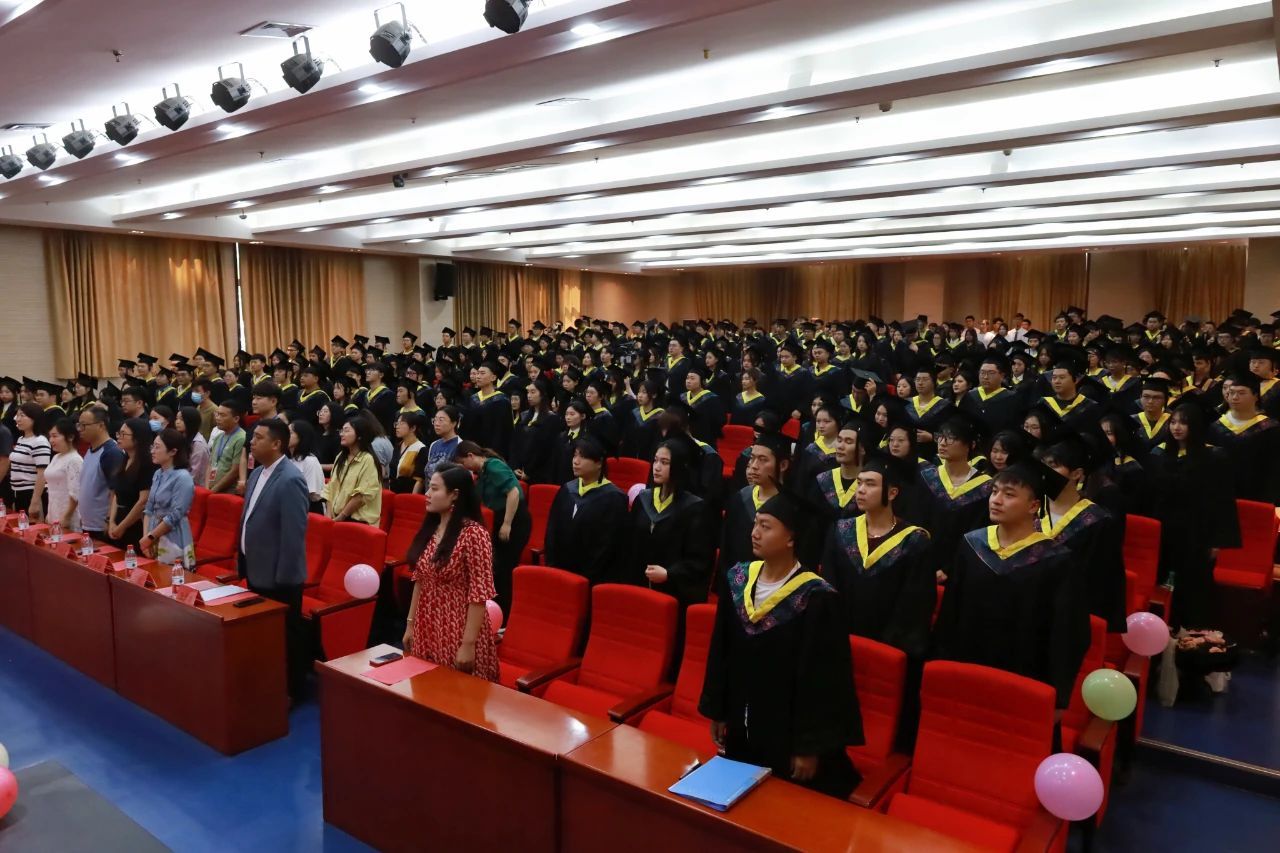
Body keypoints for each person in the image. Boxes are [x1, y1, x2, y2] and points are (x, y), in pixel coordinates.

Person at [699, 490, 863, 800]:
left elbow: (823, 680)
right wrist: (718, 710)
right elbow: (721, 651)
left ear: (791, 539)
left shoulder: (816, 598)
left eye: (766, 526)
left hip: (787, 739)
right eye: (755, 523)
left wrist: (809, 746)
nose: (755, 532)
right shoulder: (738, 580)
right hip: (742, 727)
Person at [933, 460, 1088, 709]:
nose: (996, 500)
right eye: (994, 491)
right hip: (966, 669)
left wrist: (1058, 697)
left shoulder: (1056, 561)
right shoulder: (972, 545)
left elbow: (1066, 633)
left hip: (1022, 680)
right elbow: (951, 612)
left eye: (1009, 494)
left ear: (1033, 506)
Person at [1147, 399, 1241, 628]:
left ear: (1196, 426)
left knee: (1193, 584)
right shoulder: (1159, 454)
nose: (1177, 427)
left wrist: (1218, 540)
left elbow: (1222, 501)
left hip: (1197, 531)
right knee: (1160, 582)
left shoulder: (1214, 456)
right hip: (1165, 530)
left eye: (1184, 423)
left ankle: (1191, 632)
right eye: (1173, 422)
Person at [402, 463, 500, 681]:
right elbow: (420, 580)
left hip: (458, 629)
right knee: (424, 691)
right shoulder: (431, 529)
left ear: (454, 494)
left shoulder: (474, 534)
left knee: (457, 695)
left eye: (434, 489)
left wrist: (468, 644)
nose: (427, 494)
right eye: (428, 487)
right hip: (426, 626)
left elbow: (479, 593)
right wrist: (410, 624)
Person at [238, 418, 311, 699]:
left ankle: (292, 691)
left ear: (276, 443)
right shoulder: (258, 473)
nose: (252, 442)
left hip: (280, 577)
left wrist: (284, 578)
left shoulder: (291, 479)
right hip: (256, 568)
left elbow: (294, 534)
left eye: (258, 438)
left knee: (286, 636)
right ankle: (268, 682)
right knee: (263, 634)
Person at [1035, 432, 1127, 636]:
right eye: (1043, 465)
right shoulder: (1029, 509)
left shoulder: (1097, 521)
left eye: (1053, 466)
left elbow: (1101, 579)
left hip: (1068, 616)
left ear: (1076, 473)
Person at [626, 433, 713, 609]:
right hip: (638, 587)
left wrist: (669, 574)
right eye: (655, 461)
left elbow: (699, 561)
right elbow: (628, 546)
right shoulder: (643, 500)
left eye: (664, 462)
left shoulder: (694, 508)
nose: (656, 467)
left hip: (672, 594)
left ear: (679, 466)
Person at [455, 440, 531, 609]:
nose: (465, 467)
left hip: (514, 520)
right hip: (499, 519)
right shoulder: (481, 473)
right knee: (496, 567)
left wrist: (507, 524)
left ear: (470, 456)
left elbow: (513, 493)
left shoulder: (493, 466)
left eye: (463, 463)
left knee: (504, 569)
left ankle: (506, 610)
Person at [543, 435, 629, 584]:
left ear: (599, 463)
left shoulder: (614, 498)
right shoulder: (567, 490)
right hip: (560, 574)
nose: (575, 461)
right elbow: (552, 531)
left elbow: (607, 547)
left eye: (582, 457)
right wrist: (552, 566)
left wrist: (585, 578)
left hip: (593, 579)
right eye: (575, 455)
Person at [718, 430, 791, 587]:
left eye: (763, 460)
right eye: (752, 458)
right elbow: (726, 551)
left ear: (783, 465)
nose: (754, 466)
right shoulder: (740, 498)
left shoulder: (792, 508)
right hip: (736, 587)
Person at [141, 428, 195, 566]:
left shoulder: (183, 477)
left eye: (157, 447)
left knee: (171, 574)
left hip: (173, 537)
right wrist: (146, 536)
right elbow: (149, 509)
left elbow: (175, 515)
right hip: (152, 534)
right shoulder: (158, 474)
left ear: (173, 451)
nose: (152, 451)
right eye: (152, 446)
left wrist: (151, 537)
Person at [75, 406, 125, 540]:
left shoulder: (111, 453)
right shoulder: (90, 449)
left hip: (102, 527)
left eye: (84, 425)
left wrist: (109, 520)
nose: (80, 429)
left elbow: (115, 492)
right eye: (79, 425)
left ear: (101, 425)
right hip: (88, 524)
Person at [324, 414, 383, 525]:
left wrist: (341, 517)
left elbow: (361, 496)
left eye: (346, 431)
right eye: (341, 431)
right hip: (336, 519)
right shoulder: (340, 457)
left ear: (359, 435)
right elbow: (331, 488)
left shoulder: (367, 459)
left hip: (357, 522)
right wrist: (328, 516)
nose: (342, 434)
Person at [107, 417, 155, 548]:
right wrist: (111, 522)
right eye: (119, 433)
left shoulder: (147, 464)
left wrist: (122, 527)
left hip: (135, 524)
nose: (119, 437)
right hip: (118, 520)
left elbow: (143, 501)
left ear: (138, 438)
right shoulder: (124, 459)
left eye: (124, 434)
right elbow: (117, 494)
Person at [509, 378, 560, 484]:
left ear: (542, 394)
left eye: (533, 392)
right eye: (528, 392)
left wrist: (529, 472)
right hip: (520, 472)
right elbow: (515, 444)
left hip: (539, 474)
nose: (529, 395)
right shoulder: (524, 416)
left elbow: (545, 450)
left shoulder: (551, 418)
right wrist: (515, 466)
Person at [9, 403, 51, 516]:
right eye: (17, 415)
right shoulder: (21, 439)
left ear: (35, 418)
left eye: (22, 416)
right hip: (18, 492)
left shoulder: (40, 441)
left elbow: (42, 474)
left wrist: (35, 501)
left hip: (31, 492)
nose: (18, 419)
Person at [44, 418, 83, 531]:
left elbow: (75, 493)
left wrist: (66, 517)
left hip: (67, 515)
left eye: (55, 436)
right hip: (53, 510)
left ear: (70, 437)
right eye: (50, 436)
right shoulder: (56, 457)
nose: (51, 440)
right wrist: (49, 513)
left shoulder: (75, 460)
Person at [288, 420, 327, 514]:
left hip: (309, 509)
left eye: (290, 433)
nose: (285, 436)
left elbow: (310, 494)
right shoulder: (288, 460)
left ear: (301, 436)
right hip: (292, 506)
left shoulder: (310, 461)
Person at [209, 401, 246, 494]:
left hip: (228, 492)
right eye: (217, 414)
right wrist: (207, 487)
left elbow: (235, 471)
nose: (217, 418)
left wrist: (214, 490)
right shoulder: (218, 437)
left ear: (236, 418)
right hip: (211, 489)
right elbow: (210, 463)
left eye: (222, 415)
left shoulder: (241, 438)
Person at [389, 411, 427, 495]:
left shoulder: (420, 448)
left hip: (408, 494)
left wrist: (412, 499)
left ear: (413, 428)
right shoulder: (398, 446)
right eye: (396, 424)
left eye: (402, 424)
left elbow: (419, 480)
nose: (397, 427)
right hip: (394, 493)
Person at [424, 406, 463, 480]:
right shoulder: (434, 445)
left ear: (454, 423)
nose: (436, 424)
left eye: (441, 420)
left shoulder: (460, 445)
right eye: (435, 420)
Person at [176, 406, 210, 489]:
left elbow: (194, 474)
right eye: (177, 419)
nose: (177, 422)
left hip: (195, 487)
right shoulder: (182, 438)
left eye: (181, 419)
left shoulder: (198, 444)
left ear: (191, 421)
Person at [315, 401, 346, 474]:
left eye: (325, 411)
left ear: (334, 414)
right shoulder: (318, 434)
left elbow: (340, 464)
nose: (321, 414)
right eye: (320, 411)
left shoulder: (339, 437)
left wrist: (317, 466)